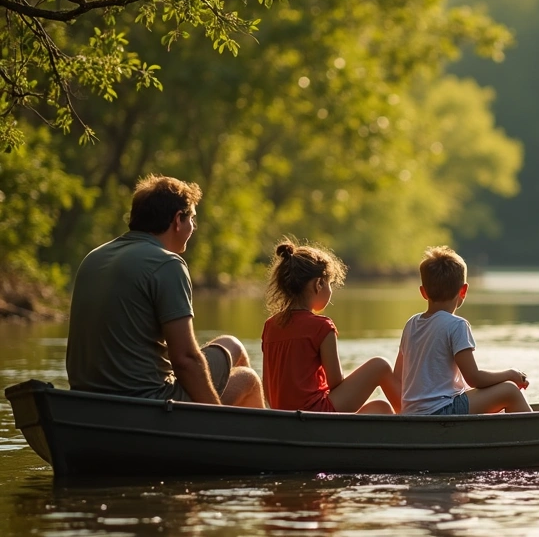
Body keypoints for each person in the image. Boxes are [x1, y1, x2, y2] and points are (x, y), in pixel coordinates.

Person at [65, 174, 264, 407]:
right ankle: (247, 439)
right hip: (146, 403)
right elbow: (185, 360)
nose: (193, 228)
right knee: (248, 379)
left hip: (86, 400)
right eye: (192, 220)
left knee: (232, 345)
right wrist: (215, 415)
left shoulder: (94, 257)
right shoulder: (167, 263)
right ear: (178, 219)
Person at [262, 238, 400, 414]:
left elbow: (267, 387)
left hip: (284, 417)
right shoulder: (321, 326)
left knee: (381, 408)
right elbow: (335, 382)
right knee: (380, 366)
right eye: (330, 284)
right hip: (317, 414)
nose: (331, 290)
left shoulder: (270, 326)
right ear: (318, 284)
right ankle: (414, 418)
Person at [395, 246, 532, 415]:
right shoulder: (456, 325)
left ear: (423, 292)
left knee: (480, 396)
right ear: (464, 291)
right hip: (440, 412)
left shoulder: (411, 323)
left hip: (411, 413)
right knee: (510, 391)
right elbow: (474, 378)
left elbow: (399, 377)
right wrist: (510, 374)